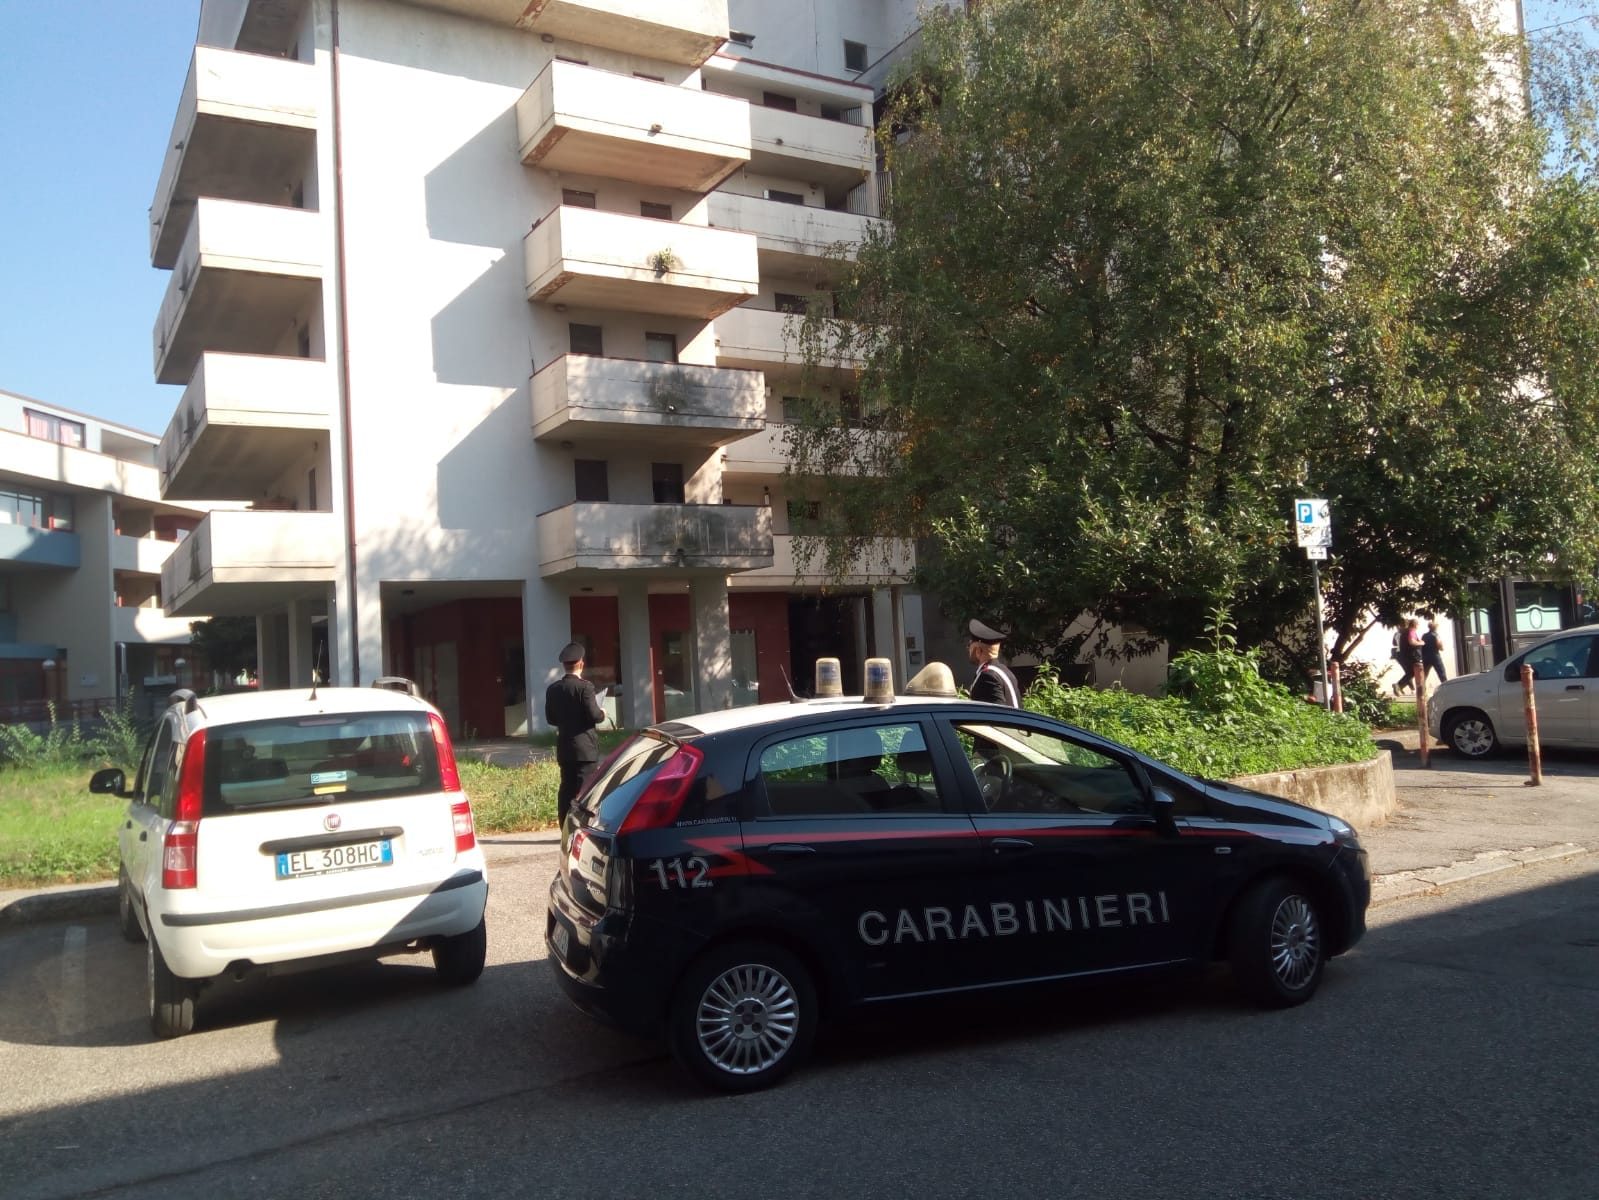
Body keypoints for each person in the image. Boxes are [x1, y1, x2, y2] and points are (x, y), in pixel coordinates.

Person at [544, 641, 606, 830]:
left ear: (564, 665)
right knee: (586, 790)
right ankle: (583, 827)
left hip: (565, 748)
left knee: (566, 789)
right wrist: (603, 712)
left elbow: (551, 719)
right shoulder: (585, 687)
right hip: (585, 749)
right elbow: (594, 716)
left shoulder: (553, 689)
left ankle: (565, 827)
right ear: (581, 663)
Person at [966, 619, 1021, 707]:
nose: (968, 649)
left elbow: (994, 714)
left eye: (969, 646)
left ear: (978, 651)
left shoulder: (988, 677)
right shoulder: (1005, 671)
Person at [1393, 617, 1423, 694]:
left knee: (1410, 672)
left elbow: (1394, 643)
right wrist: (1421, 643)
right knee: (1413, 672)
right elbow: (1411, 642)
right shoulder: (1411, 631)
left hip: (1402, 655)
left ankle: (1399, 686)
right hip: (1411, 655)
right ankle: (1401, 686)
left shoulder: (1400, 633)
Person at [1422, 619, 1448, 684]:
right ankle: (1446, 686)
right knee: (1441, 673)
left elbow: (1422, 645)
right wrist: (1442, 647)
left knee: (1424, 675)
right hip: (1435, 656)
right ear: (1435, 627)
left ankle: (1422, 689)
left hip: (1425, 656)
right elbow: (1440, 646)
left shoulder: (1424, 635)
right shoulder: (1436, 635)